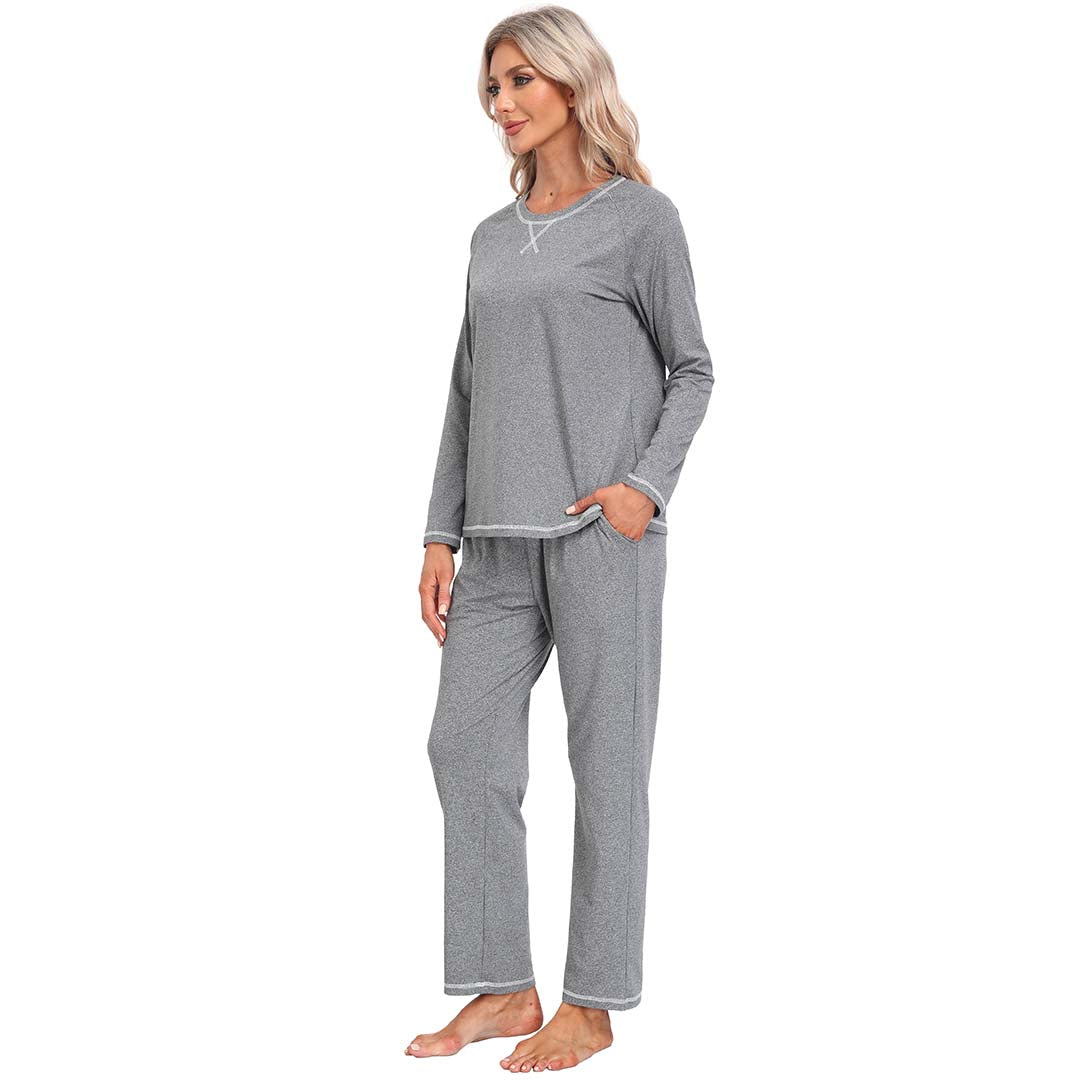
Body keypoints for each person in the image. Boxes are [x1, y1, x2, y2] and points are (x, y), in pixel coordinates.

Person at [407, 6, 714, 1071]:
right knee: (462, 748)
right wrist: (439, 531)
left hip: (599, 537)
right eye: (492, 87)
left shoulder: (642, 221)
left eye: (520, 81)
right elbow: (466, 389)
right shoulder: (490, 239)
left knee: (608, 766)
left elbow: (694, 368)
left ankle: (593, 1003)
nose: (502, 103)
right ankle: (504, 985)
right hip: (493, 542)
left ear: (574, 83)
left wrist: (643, 490)